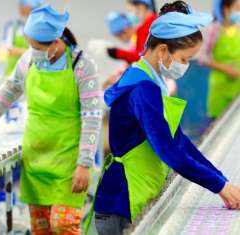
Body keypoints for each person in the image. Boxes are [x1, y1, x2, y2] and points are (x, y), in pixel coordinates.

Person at [86, 2, 240, 235]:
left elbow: (179, 140)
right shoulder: (142, 88)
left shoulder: (152, 80)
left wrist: (222, 181)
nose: (186, 66)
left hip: (135, 195)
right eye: (185, 59)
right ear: (163, 50)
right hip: (122, 203)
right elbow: (169, 151)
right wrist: (218, 185)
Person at [0, 5, 102, 235]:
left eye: (36, 46)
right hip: (36, 160)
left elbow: (92, 117)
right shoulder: (28, 61)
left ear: (56, 42)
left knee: (63, 225)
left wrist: (84, 163)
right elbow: (9, 90)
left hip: (68, 161)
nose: (32, 50)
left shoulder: (82, 66)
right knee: (42, 229)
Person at [198, 0, 240, 119]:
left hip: (237, 88)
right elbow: (202, 57)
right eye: (237, 8)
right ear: (226, 9)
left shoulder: (238, 28)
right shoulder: (214, 29)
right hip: (220, 89)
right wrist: (226, 69)